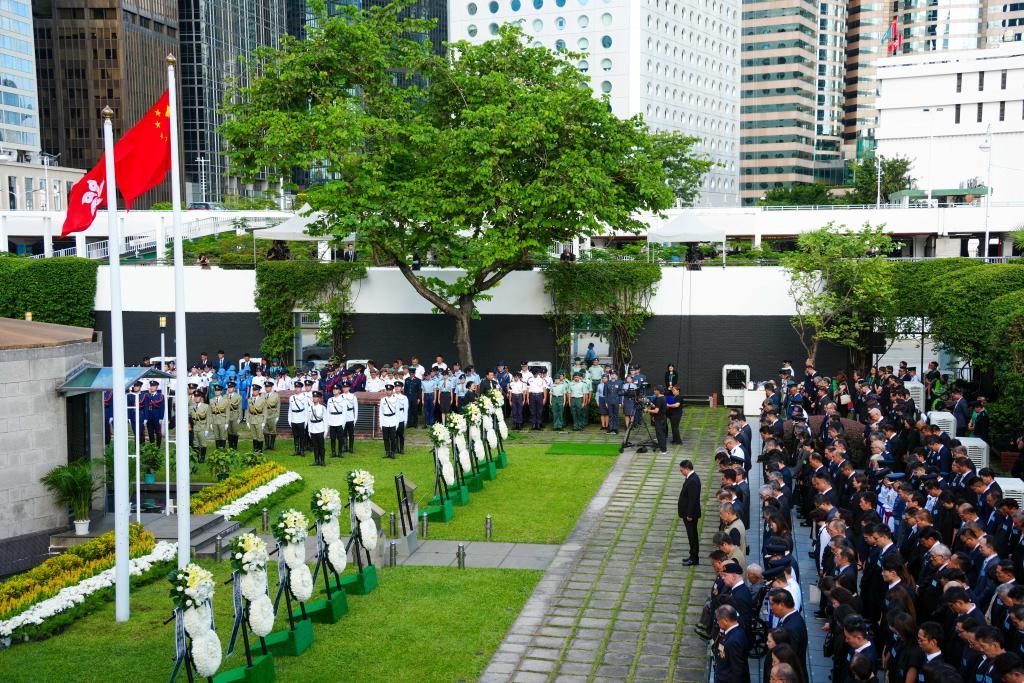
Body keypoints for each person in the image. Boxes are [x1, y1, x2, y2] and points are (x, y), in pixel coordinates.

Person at [712, 605, 750, 683]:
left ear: (725, 620)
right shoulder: (734, 631)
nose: (717, 623)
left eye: (718, 620)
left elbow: (737, 670)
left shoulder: (733, 640)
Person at [679, 459, 702, 566]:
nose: (681, 471)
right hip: (689, 513)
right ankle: (692, 555)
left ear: (687, 469)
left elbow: (693, 500)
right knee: (691, 536)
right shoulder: (692, 478)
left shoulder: (692, 480)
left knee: (692, 536)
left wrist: (689, 514)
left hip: (690, 515)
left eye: (682, 470)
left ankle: (694, 558)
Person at [379, 383, 400, 459]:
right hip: (385, 420)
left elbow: (397, 412)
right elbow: (380, 412)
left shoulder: (396, 399)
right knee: (385, 438)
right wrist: (381, 423)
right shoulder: (382, 400)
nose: (388, 392)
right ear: (385, 391)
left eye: (390, 390)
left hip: (393, 420)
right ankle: (387, 452)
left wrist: (397, 423)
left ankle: (393, 452)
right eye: (387, 390)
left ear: (392, 391)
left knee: (393, 438)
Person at [288, 380, 308, 457]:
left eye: (298, 387)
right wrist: (289, 419)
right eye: (295, 387)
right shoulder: (291, 397)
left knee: (302, 436)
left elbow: (306, 410)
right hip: (293, 418)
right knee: (295, 436)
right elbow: (290, 409)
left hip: (301, 418)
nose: (296, 389)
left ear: (301, 388)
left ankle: (302, 450)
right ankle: (297, 450)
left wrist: (305, 421)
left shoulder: (304, 397)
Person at [307, 391, 327, 466]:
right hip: (313, 429)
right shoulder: (310, 408)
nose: (314, 399)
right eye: (314, 397)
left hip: (320, 428)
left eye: (316, 397)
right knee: (315, 446)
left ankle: (322, 461)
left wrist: (325, 431)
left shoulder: (322, 408)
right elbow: (309, 420)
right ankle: (316, 461)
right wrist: (309, 430)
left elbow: (325, 420)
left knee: (321, 446)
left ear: (319, 399)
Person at [326, 384, 346, 457]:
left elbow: (344, 412)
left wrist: (343, 423)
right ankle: (333, 452)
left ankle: (340, 452)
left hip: (339, 420)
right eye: (333, 389)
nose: (334, 390)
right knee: (332, 438)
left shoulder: (343, 400)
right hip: (332, 421)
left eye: (336, 389)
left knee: (340, 438)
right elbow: (328, 412)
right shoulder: (330, 400)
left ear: (340, 391)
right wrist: (327, 422)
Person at [189, 390, 210, 462]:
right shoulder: (191, 407)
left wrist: (207, 429)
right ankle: (197, 457)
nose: (196, 398)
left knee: (203, 443)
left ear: (201, 397)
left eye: (197, 397)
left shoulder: (206, 406)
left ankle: (202, 457)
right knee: (195, 443)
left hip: (202, 427)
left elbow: (208, 418)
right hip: (195, 427)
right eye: (195, 397)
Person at [647, 385, 669, 454]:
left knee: (660, 434)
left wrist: (647, 410)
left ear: (658, 391)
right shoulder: (662, 398)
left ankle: (663, 450)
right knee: (661, 434)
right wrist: (650, 404)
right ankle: (662, 448)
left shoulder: (659, 399)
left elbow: (656, 410)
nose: (654, 391)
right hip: (662, 418)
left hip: (659, 419)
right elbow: (657, 406)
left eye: (655, 390)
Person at [209, 382, 229, 449]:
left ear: (221, 391)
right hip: (214, 420)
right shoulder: (211, 400)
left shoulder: (225, 400)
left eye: (218, 391)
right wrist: (211, 422)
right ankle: (217, 449)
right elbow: (210, 412)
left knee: (222, 435)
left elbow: (227, 412)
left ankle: (222, 449)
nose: (216, 392)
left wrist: (226, 422)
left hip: (222, 419)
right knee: (216, 436)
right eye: (215, 390)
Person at [247, 383, 266, 452]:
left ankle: (260, 450)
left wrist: (264, 422)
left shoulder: (262, 400)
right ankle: (255, 449)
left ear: (258, 391)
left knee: (260, 436)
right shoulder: (250, 400)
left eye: (255, 390)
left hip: (259, 419)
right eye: (253, 390)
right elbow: (248, 411)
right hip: (252, 419)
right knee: (254, 436)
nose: (254, 391)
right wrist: (247, 421)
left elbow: (265, 411)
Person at [225, 380, 242, 450]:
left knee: (234, 431)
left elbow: (240, 407)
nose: (229, 389)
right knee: (229, 431)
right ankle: (230, 446)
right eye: (228, 387)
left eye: (231, 387)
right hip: (227, 415)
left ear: (234, 388)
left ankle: (235, 446)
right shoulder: (224, 396)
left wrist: (239, 417)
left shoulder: (238, 396)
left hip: (235, 414)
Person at [262, 380, 279, 450]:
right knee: (265, 430)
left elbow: (278, 405)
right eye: (266, 387)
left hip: (272, 413)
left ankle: (272, 445)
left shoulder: (276, 395)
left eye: (268, 387)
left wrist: (277, 415)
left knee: (272, 430)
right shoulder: (262, 395)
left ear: (271, 387)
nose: (267, 388)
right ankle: (267, 445)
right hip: (265, 413)